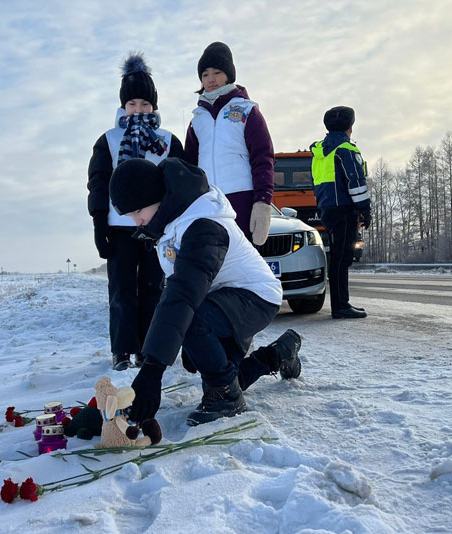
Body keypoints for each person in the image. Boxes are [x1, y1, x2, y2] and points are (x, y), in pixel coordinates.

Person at [108, 157, 302, 426]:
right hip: (221, 296)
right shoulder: (172, 222)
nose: (136, 221)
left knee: (196, 332)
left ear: (154, 196)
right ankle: (279, 353)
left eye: (137, 211)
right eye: (129, 216)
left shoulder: (202, 225)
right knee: (223, 375)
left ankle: (227, 399)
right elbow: (176, 292)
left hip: (255, 296)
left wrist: (153, 370)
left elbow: (184, 294)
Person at [87, 53, 185, 371]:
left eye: (145, 104)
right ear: (123, 106)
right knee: (122, 290)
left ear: (153, 107)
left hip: (157, 229)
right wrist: (99, 221)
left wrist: (174, 222)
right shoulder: (109, 140)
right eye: (132, 104)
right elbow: (98, 182)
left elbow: (179, 183)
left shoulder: (167, 141)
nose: (139, 109)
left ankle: (148, 348)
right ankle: (122, 350)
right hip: (119, 228)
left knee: (154, 289)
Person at [184, 41, 275, 247]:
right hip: (208, 201)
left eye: (217, 72)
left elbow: (263, 157)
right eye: (205, 74)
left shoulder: (247, 111)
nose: (211, 79)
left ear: (228, 75)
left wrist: (262, 201)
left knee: (243, 259)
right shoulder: (197, 119)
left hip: (241, 199)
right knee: (212, 260)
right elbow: (189, 165)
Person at [311, 106, 371, 319]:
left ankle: (341, 304)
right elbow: (355, 183)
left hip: (327, 208)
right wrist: (365, 210)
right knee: (342, 259)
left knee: (337, 258)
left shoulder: (320, 152)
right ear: (349, 127)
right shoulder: (346, 149)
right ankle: (341, 306)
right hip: (344, 209)